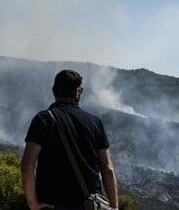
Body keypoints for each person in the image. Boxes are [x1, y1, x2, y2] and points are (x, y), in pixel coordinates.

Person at [21, 69, 118, 210]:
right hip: (89, 205)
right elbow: (107, 169)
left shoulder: (43, 120)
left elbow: (26, 167)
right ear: (77, 93)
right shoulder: (95, 123)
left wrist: (33, 204)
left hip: (53, 204)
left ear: (54, 91)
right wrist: (114, 207)